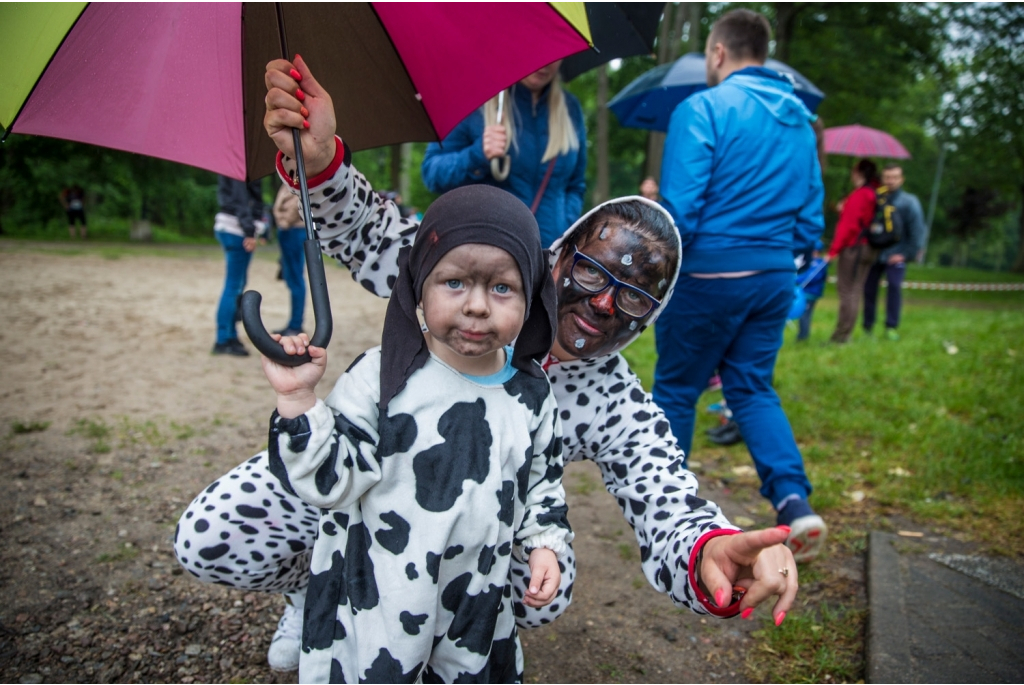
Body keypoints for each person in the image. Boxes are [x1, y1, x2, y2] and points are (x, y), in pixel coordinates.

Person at [174, 55, 799, 673]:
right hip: (365, 479)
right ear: (556, 258)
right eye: (591, 272)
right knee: (212, 534)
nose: (603, 303)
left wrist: (708, 550)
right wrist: (318, 162)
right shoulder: (480, 280)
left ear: (649, 316)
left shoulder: (611, 397)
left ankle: (450, 637)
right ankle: (319, 590)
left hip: (473, 523)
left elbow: (662, 491)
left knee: (543, 589)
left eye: (633, 296)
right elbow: (372, 228)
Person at [260, 184, 570, 682]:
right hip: (381, 596)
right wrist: (298, 401)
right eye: (454, 282)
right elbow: (328, 481)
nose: (476, 306)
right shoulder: (383, 378)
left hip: (476, 598)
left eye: (502, 288)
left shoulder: (530, 394)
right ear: (418, 284)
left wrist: (544, 545)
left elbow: (542, 485)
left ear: (533, 296)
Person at [653, 9, 827, 562]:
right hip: (775, 277)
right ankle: (794, 502)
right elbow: (810, 219)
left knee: (678, 388)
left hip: (708, 275)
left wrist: (657, 209)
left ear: (719, 53)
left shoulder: (701, 108)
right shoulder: (800, 120)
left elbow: (682, 209)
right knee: (751, 388)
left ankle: (669, 515)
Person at [420, 60, 586, 248]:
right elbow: (432, 173)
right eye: (531, 47)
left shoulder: (570, 110)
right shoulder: (474, 100)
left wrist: (565, 223)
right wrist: (477, 155)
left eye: (555, 56)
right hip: (486, 250)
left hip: (548, 255)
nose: (544, 64)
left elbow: (575, 186)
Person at [862, 163, 926, 341]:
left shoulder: (909, 202)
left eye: (894, 177)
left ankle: (891, 326)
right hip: (875, 254)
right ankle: (867, 327)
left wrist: (906, 255)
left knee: (894, 288)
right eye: (887, 177)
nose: (890, 181)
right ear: (882, 178)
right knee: (868, 290)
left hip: (896, 254)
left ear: (901, 179)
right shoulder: (875, 198)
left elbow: (917, 231)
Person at [826, 159, 880, 344]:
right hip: (868, 248)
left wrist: (833, 250)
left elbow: (848, 226)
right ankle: (845, 334)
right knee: (855, 290)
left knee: (847, 291)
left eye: (854, 170)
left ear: (859, 173)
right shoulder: (873, 192)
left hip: (854, 249)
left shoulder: (860, 195)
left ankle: (841, 335)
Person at [212, 175, 264, 357]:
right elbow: (240, 199)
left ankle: (229, 334)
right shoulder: (238, 166)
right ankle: (223, 338)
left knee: (237, 285)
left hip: (234, 227)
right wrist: (249, 230)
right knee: (234, 286)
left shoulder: (232, 163)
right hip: (237, 229)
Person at [271, 182, 306, 336]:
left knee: (296, 279)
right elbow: (277, 206)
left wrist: (284, 222)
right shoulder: (288, 181)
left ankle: (295, 324)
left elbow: (297, 205)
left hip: (294, 231)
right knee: (291, 278)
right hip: (287, 231)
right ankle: (294, 323)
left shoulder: (301, 180)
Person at [796, 242, 829, 342]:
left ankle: (803, 337)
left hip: (810, 293)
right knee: (804, 314)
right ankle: (802, 335)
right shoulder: (814, 262)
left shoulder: (817, 264)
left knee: (804, 315)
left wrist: (794, 279)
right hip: (807, 293)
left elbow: (810, 278)